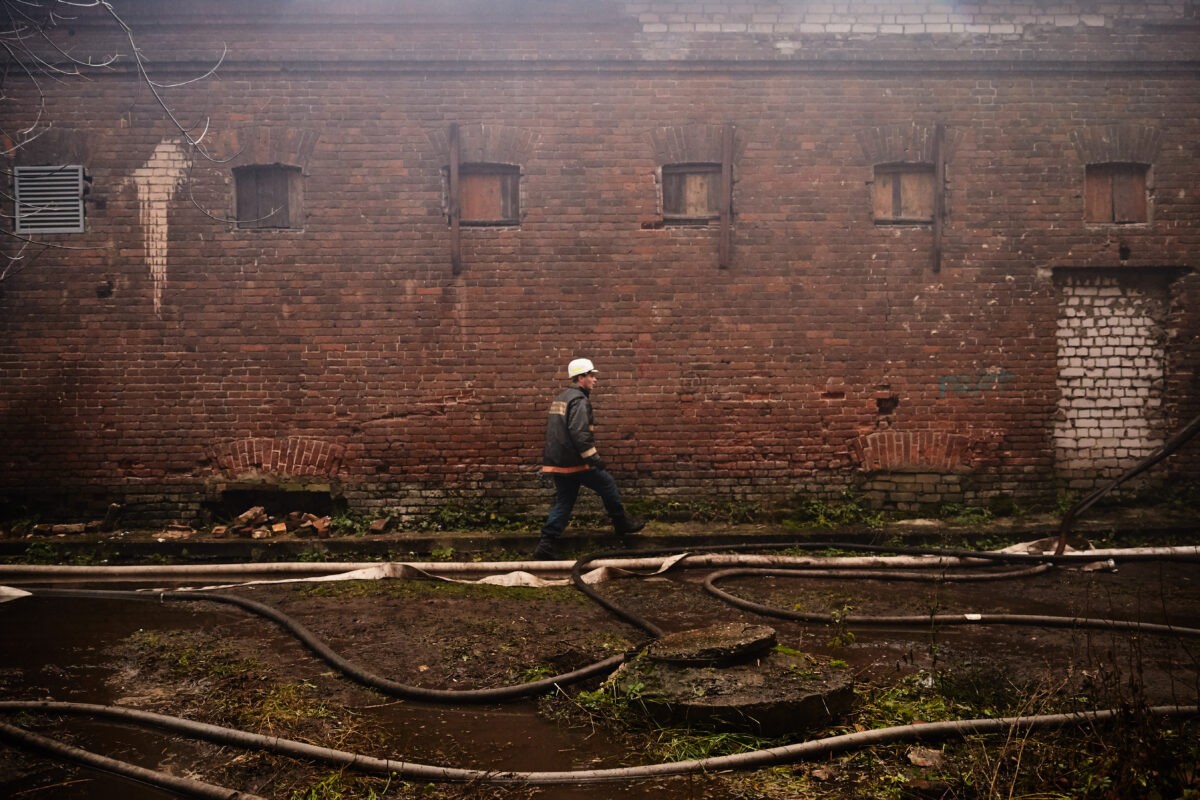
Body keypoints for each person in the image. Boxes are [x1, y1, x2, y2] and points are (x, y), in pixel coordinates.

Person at [533, 358, 645, 560]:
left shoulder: (562, 397)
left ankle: (546, 543)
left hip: (558, 462)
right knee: (608, 485)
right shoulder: (579, 401)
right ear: (580, 377)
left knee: (564, 501)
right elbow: (579, 433)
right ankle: (622, 525)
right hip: (575, 462)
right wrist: (594, 458)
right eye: (591, 375)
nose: (595, 380)